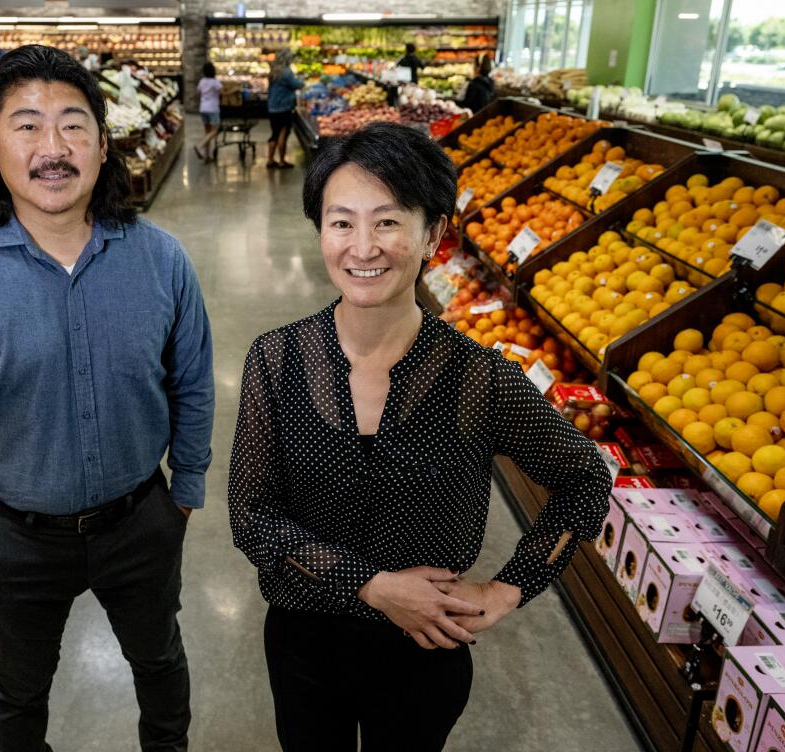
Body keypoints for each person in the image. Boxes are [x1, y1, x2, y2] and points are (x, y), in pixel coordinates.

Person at [228, 122, 612, 751]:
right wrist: (374, 586)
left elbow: (585, 479)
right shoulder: (277, 359)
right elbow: (250, 515)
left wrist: (509, 586)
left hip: (423, 656)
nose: (362, 248)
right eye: (341, 222)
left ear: (434, 232)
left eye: (387, 222)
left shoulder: (478, 377)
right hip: (303, 643)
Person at [0, 45, 215, 752]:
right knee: (19, 688)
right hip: (14, 539)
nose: (53, 148)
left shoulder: (161, 260)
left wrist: (184, 490)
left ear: (103, 143)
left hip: (141, 522)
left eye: (74, 124)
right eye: (27, 125)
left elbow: (192, 381)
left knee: (160, 663)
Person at [266, 48, 304, 169]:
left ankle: (270, 160)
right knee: (283, 133)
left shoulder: (274, 71)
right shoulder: (286, 72)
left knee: (274, 133)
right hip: (284, 107)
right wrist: (303, 81)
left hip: (272, 107)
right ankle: (282, 161)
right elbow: (296, 85)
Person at [194, 62, 222, 162]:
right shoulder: (215, 82)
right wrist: (234, 89)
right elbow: (223, 92)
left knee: (207, 132)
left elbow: (198, 93)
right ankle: (199, 145)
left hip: (203, 108)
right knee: (215, 130)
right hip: (213, 108)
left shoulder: (202, 81)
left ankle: (207, 156)